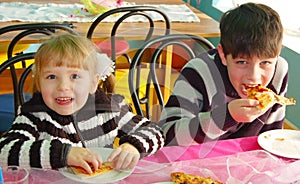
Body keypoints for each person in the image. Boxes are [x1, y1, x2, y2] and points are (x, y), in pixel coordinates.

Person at [0, 34, 164, 174]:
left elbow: (155, 131)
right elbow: (4, 151)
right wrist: (64, 154)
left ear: (93, 83)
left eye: (74, 76)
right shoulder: (34, 116)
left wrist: (133, 146)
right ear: (39, 83)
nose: (63, 86)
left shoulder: (109, 109)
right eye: (51, 77)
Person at [158, 3, 288, 146]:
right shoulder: (199, 72)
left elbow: (272, 138)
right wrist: (226, 117)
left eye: (265, 63)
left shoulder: (279, 71)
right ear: (223, 55)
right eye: (242, 62)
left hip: (247, 163)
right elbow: (168, 136)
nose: (254, 76)